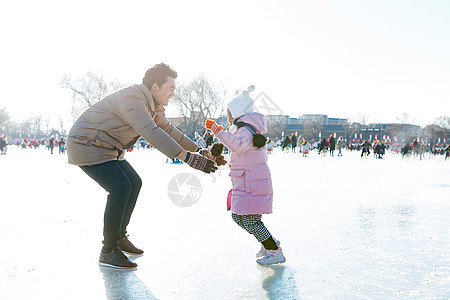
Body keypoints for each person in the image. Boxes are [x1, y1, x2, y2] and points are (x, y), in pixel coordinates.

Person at [67, 63, 222, 269]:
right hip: (87, 144)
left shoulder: (153, 106)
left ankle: (119, 236)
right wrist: (187, 158)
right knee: (120, 187)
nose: (173, 94)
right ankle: (108, 250)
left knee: (134, 182)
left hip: (108, 148)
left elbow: (169, 131)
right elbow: (151, 132)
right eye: (171, 88)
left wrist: (199, 151)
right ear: (155, 87)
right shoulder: (133, 99)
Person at [204, 85, 286, 265]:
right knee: (239, 217)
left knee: (249, 220)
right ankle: (269, 242)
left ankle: (274, 250)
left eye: (229, 114)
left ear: (237, 113)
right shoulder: (245, 130)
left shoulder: (246, 130)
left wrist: (218, 131)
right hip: (247, 180)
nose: (228, 117)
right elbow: (242, 151)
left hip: (251, 182)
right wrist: (228, 159)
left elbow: (239, 145)